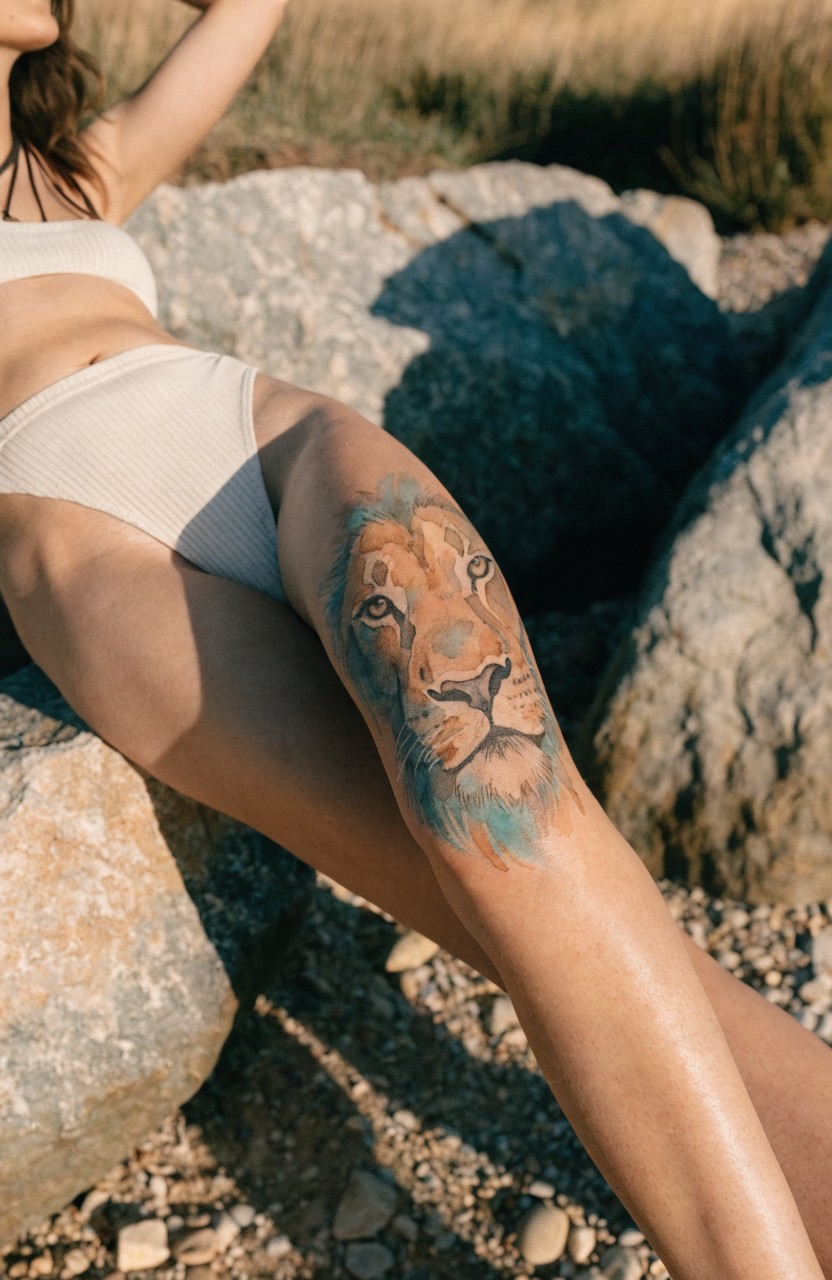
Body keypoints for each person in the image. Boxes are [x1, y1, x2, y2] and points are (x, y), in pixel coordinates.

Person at [0, 2, 830, 1275]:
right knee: (492, 906)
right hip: (79, 534)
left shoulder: (76, 166)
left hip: (257, 439)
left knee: (520, 816)